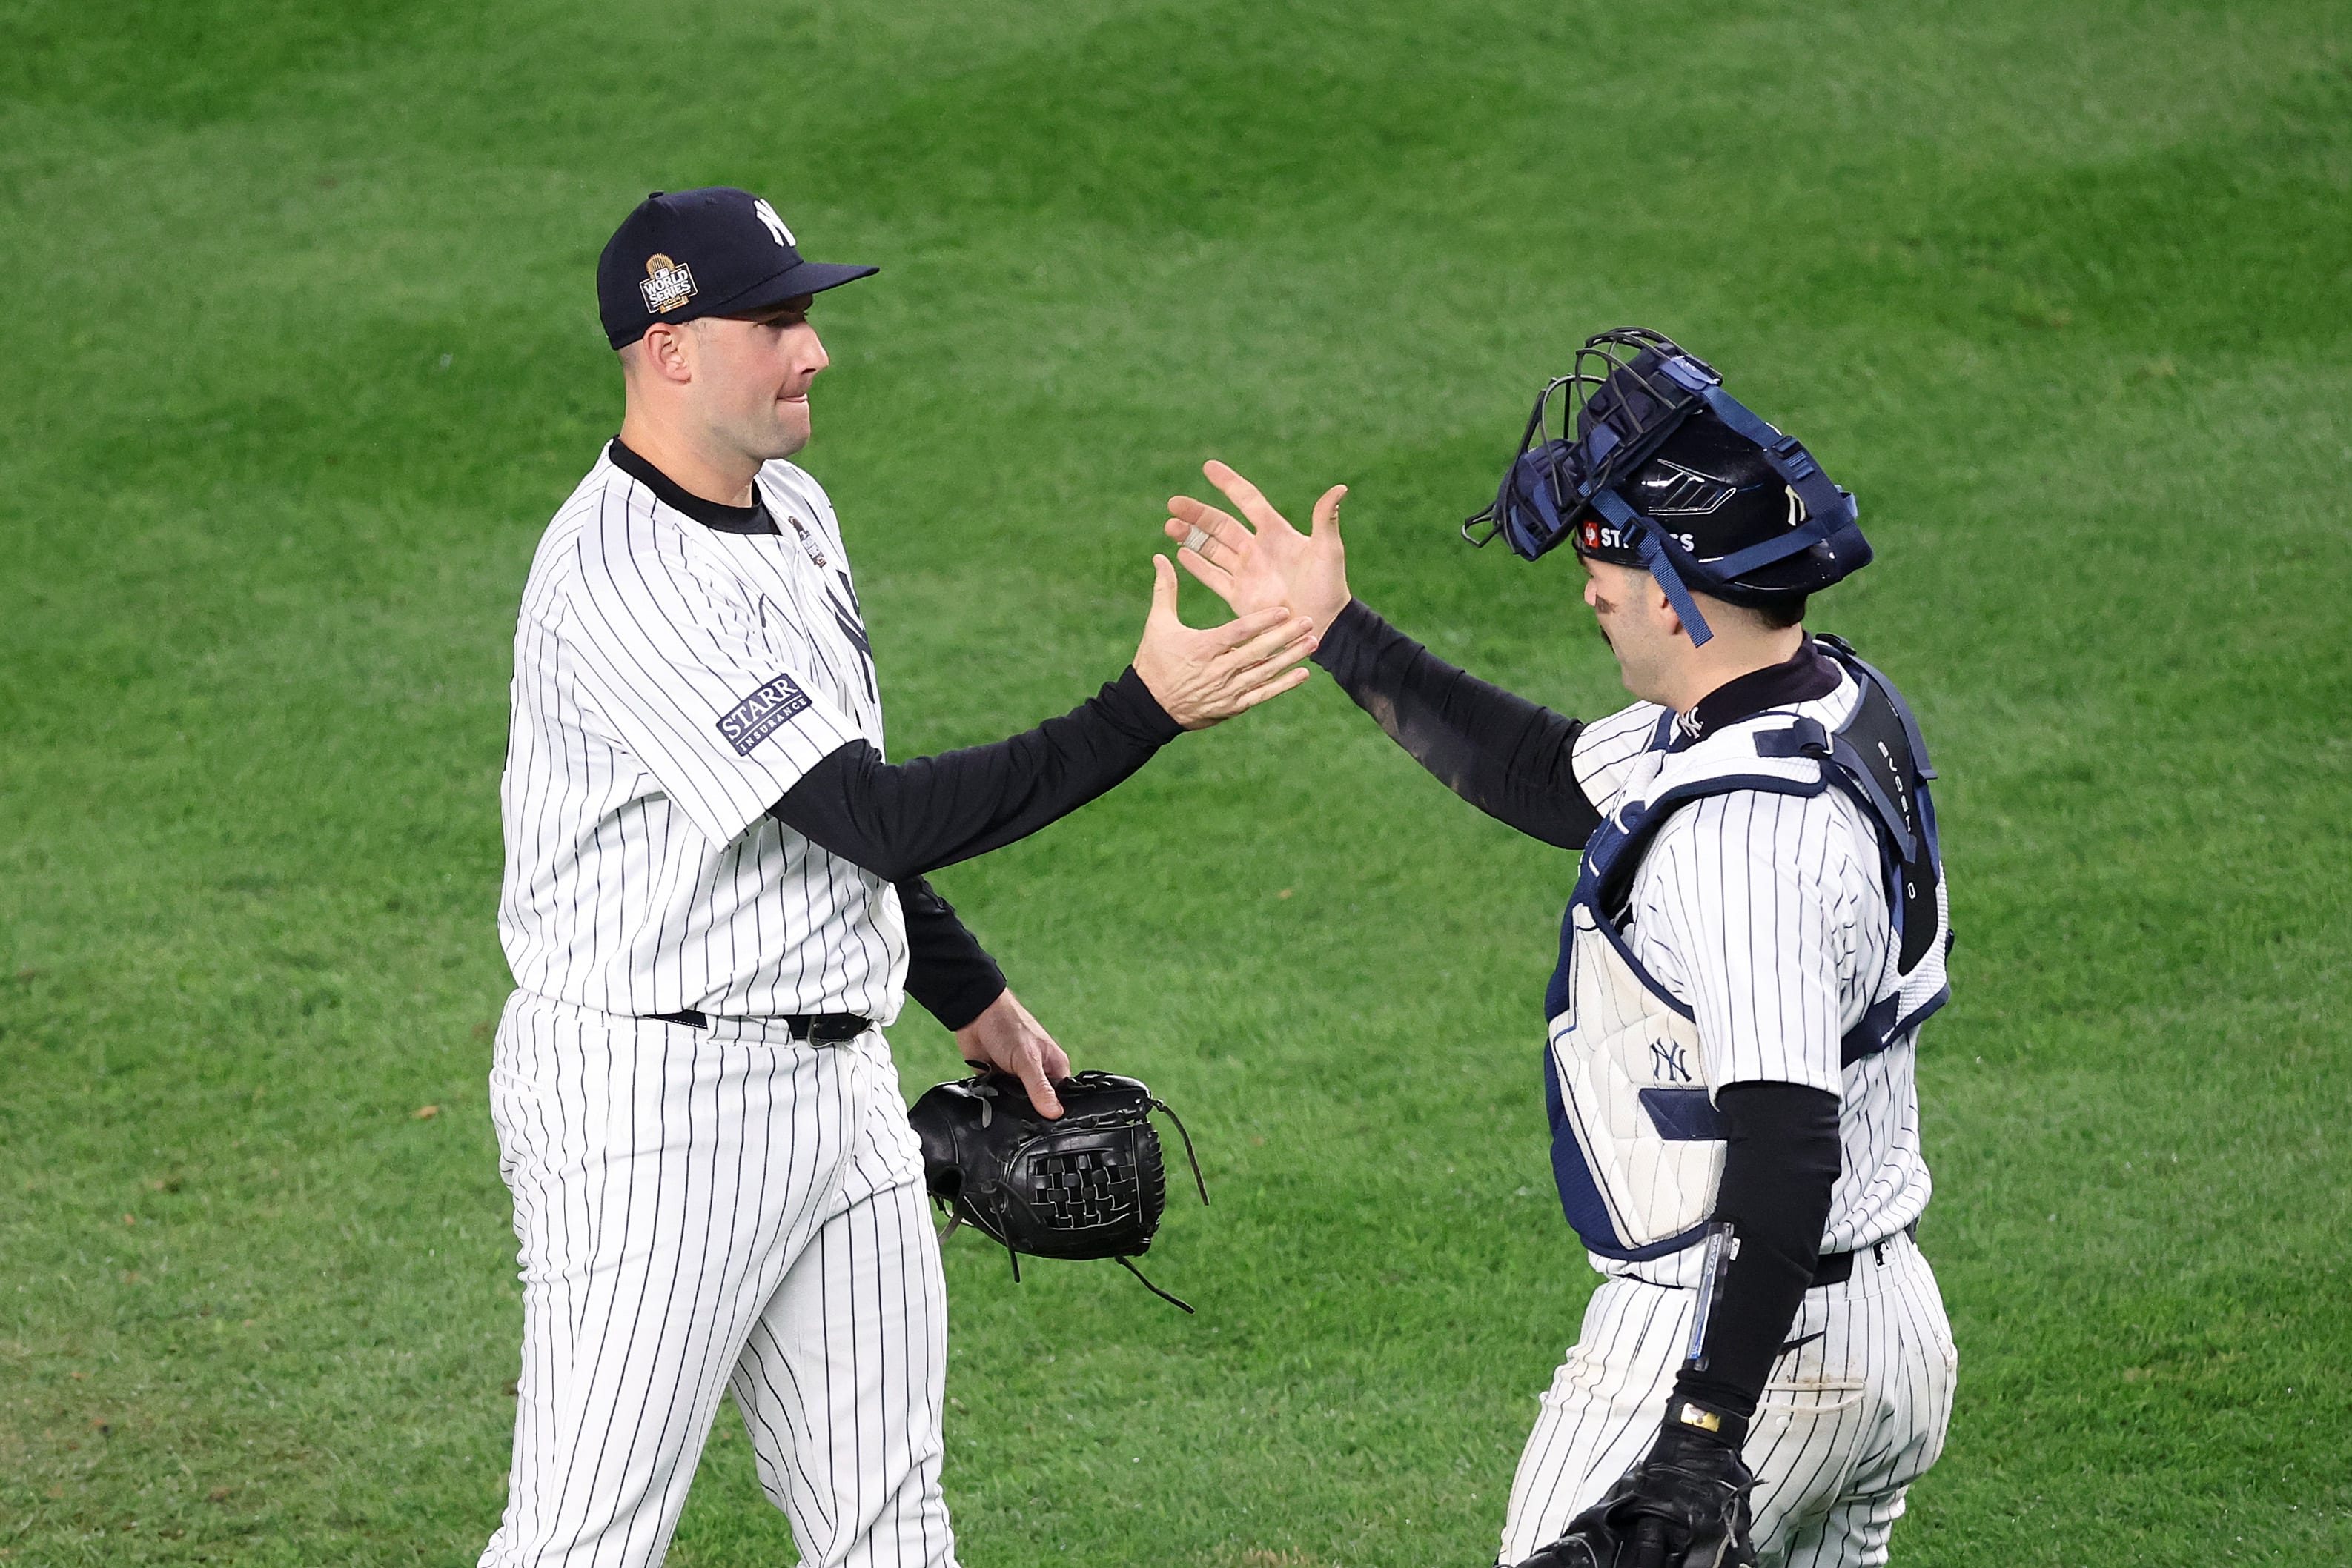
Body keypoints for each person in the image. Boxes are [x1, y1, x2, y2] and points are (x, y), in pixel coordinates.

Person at [482, 185, 1316, 1568]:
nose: (813, 352)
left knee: (886, 1521)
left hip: (841, 1090)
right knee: (586, 1536)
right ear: (670, 346)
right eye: (778, 323)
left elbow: (817, 816)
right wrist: (1141, 711)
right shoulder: (624, 574)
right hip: (653, 1105)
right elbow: (874, 814)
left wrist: (969, 994)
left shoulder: (793, 510)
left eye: (807, 318)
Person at [1165, 330, 1957, 1567]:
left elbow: (1785, 1144)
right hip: (1886, 1332)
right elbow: (1542, 775)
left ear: (1679, 587)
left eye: (1608, 552)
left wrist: (1700, 1432)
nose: (1589, 587)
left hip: (1733, 1339)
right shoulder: (1817, 701)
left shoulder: (1739, 835)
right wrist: (1334, 630)